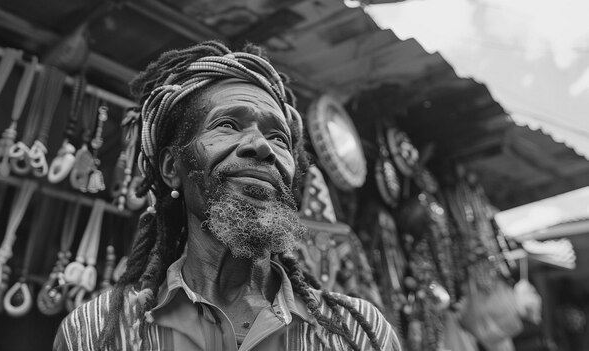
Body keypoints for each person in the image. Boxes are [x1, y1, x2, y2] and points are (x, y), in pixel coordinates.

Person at [53, 41, 401, 351]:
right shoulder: (97, 335)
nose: (262, 146)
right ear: (172, 166)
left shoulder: (357, 335)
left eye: (279, 138)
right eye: (228, 125)